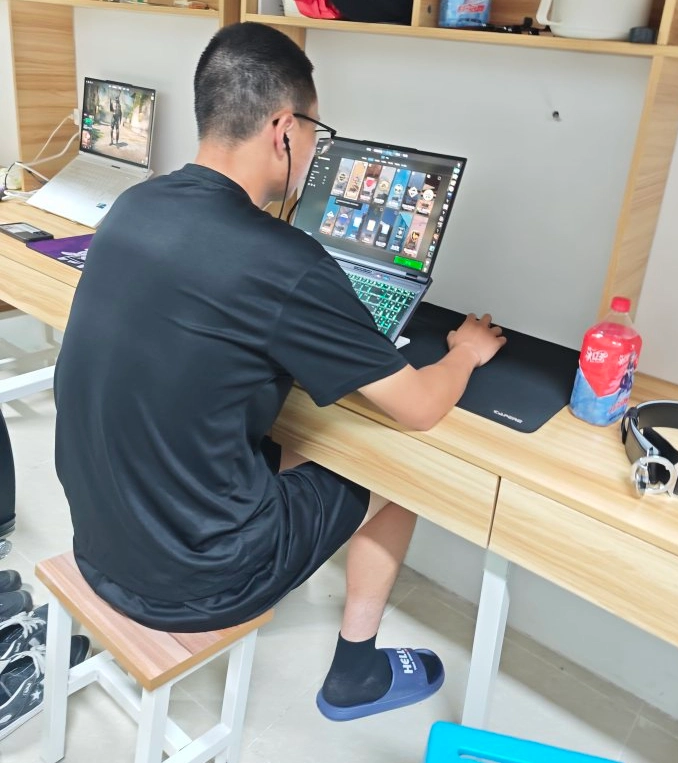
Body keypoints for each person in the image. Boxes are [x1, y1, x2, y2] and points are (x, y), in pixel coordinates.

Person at [53, 21, 505, 723]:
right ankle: (356, 670)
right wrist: (466, 352)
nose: (315, 152)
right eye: (317, 133)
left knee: (292, 434)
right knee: (399, 469)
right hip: (194, 581)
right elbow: (420, 405)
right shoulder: (284, 261)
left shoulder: (134, 206)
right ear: (284, 129)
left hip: (97, 536)